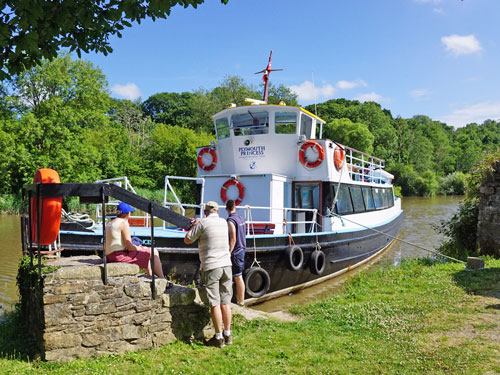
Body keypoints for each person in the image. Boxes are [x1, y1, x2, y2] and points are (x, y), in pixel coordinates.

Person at [184, 201, 233, 348]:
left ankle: (218, 338)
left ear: (205, 212)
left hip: (212, 266)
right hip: (226, 264)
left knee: (214, 303)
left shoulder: (203, 223)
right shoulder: (224, 222)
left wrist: (194, 225)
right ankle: (228, 334)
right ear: (217, 212)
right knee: (226, 302)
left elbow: (187, 240)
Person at [104, 202, 165, 279]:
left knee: (145, 252)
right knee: (154, 251)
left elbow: (105, 246)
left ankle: (150, 275)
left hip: (109, 256)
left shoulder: (110, 223)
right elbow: (129, 247)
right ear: (128, 213)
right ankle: (163, 279)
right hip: (119, 256)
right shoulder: (123, 223)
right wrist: (141, 248)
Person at [225, 199, 246, 306]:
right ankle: (239, 300)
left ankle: (241, 302)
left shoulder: (230, 221)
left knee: (237, 277)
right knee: (238, 276)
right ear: (235, 207)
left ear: (226, 209)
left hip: (236, 252)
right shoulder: (241, 218)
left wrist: (229, 252)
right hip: (242, 249)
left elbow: (233, 238)